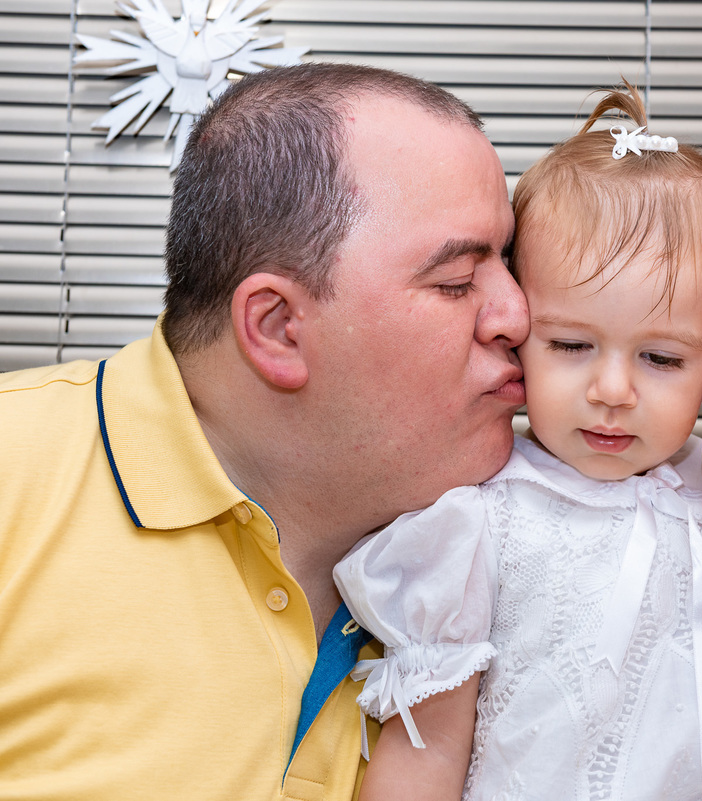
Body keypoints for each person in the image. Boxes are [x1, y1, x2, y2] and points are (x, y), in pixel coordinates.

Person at [0, 63, 528, 800]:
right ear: (278, 328)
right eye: (456, 281)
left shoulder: (549, 539)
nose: (518, 315)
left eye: (511, 263)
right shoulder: (13, 478)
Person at [332, 84, 702, 801]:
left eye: (661, 359)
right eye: (573, 344)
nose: (613, 390)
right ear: (520, 328)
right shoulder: (479, 516)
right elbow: (428, 745)